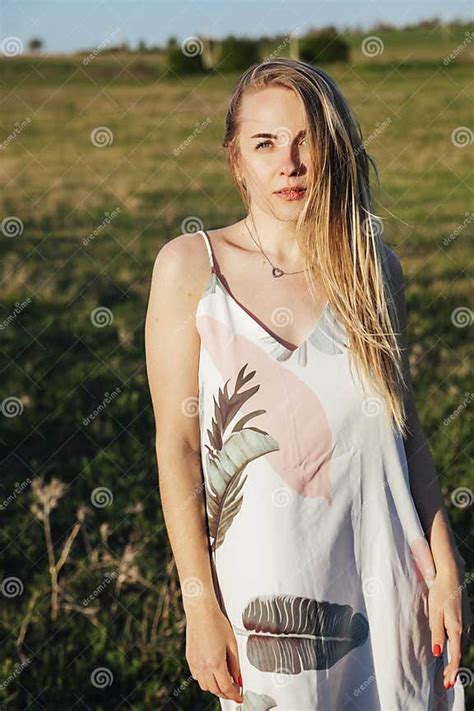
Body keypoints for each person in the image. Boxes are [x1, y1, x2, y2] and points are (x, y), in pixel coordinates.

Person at [145, 59, 470, 709]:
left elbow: (407, 439)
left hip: (392, 591)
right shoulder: (190, 269)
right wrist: (199, 603)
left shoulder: (372, 269)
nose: (289, 163)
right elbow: (177, 449)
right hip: (271, 610)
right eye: (265, 143)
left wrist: (449, 570)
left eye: (306, 141)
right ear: (236, 160)